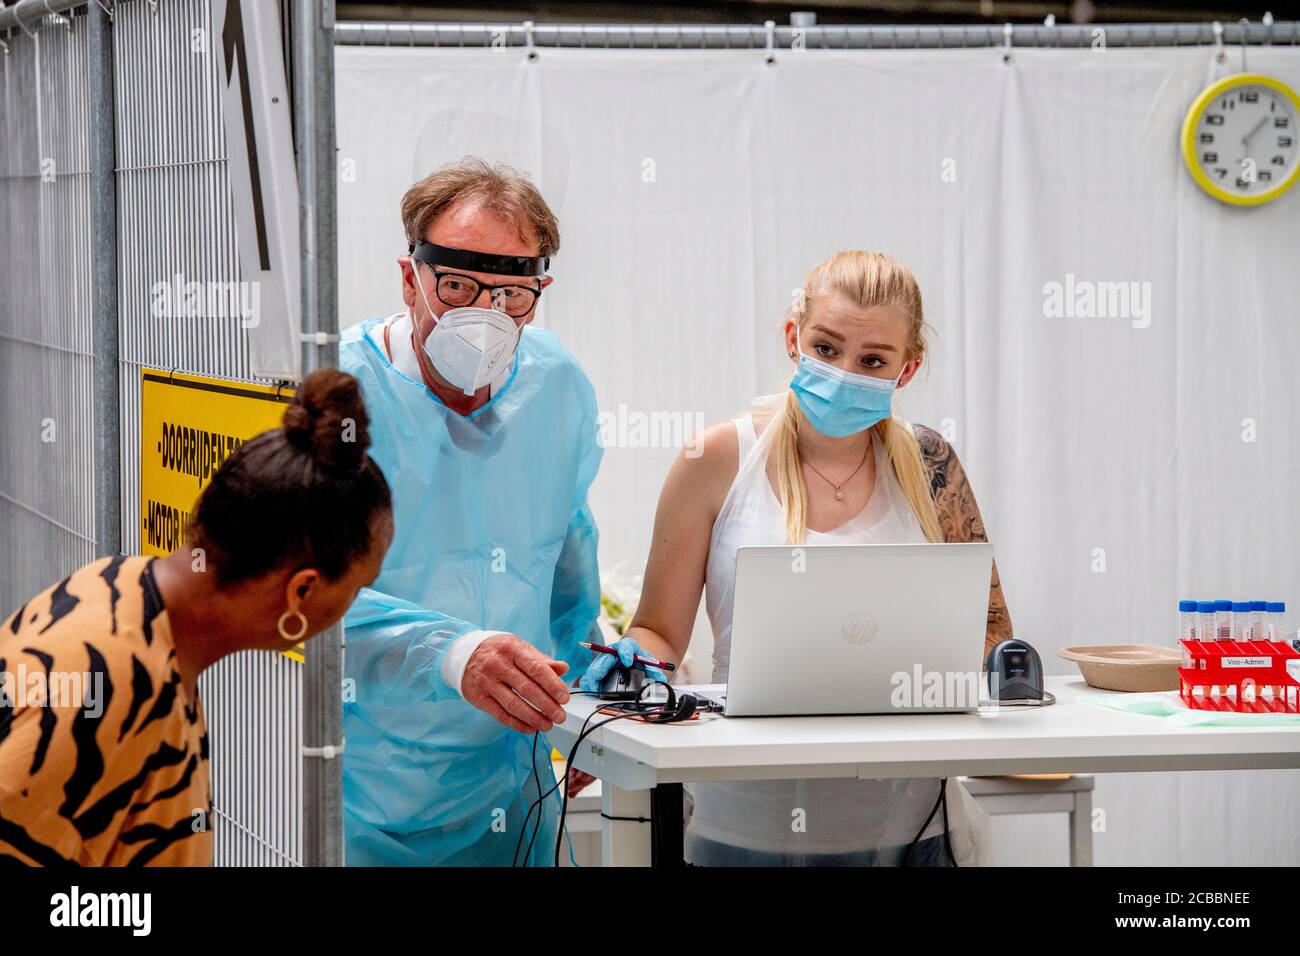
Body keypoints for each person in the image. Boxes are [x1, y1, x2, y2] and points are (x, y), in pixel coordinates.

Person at [578, 251, 1013, 866]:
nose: (843, 372)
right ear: (794, 337)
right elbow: (660, 628)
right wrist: (637, 671)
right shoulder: (716, 458)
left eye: (872, 361)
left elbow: (992, 631)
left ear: (906, 369)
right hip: (746, 825)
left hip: (913, 825)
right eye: (827, 347)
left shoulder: (929, 463)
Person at [0, 370, 393, 866]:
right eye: (357, 587)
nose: (351, 606)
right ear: (303, 590)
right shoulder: (114, 677)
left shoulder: (126, 592)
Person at [339, 158, 603, 866]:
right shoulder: (336, 401)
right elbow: (293, 593)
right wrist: (451, 653)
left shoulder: (556, 386)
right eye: (457, 285)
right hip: (360, 799)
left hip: (508, 796)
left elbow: (567, 568)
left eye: (513, 293)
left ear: (539, 293)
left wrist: (589, 689)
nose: (486, 316)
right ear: (410, 279)